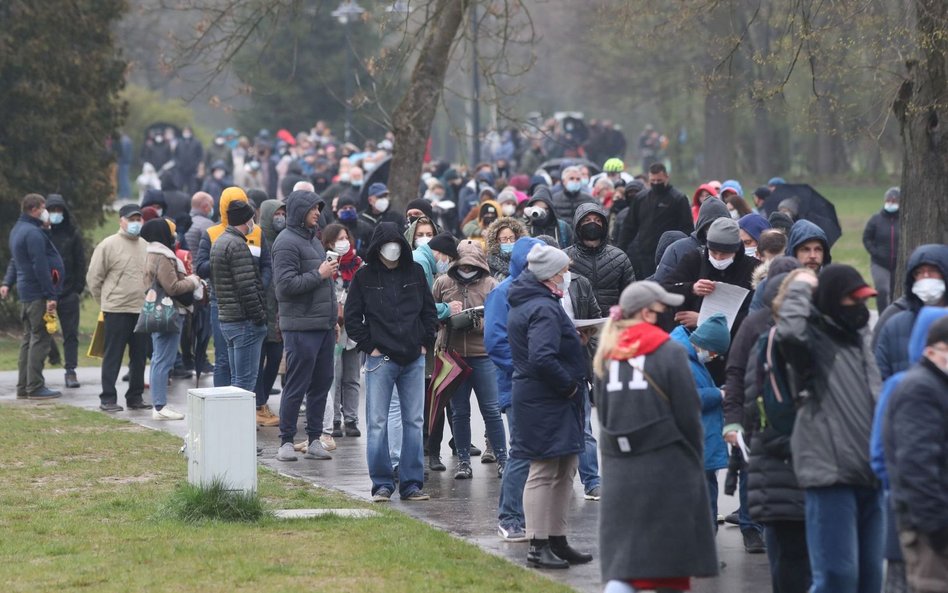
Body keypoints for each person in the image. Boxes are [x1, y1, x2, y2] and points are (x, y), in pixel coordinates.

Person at [595, 281, 718, 592]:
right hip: (667, 469)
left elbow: (605, 415)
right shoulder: (670, 352)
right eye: (662, 310)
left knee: (625, 565)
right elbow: (688, 416)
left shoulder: (607, 354)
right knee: (669, 570)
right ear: (648, 314)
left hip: (621, 471)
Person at [775, 265, 884, 593]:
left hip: (870, 474)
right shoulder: (812, 343)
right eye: (852, 299)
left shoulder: (861, 337)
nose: (859, 307)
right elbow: (789, 331)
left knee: (870, 581)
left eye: (863, 299)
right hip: (830, 472)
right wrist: (799, 288)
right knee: (837, 578)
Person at [507, 243, 591, 569]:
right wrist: (569, 385)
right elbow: (541, 357)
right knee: (544, 471)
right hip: (547, 398)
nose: (567, 274)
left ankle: (557, 539)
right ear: (550, 275)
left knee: (564, 468)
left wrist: (573, 339)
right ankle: (537, 545)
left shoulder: (538, 301)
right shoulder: (541, 306)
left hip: (549, 398)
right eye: (563, 270)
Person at [344, 222, 438, 502]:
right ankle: (382, 484)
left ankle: (411, 484)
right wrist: (369, 347)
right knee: (376, 423)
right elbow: (352, 317)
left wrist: (425, 343)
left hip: (413, 358)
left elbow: (428, 313)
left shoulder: (416, 271)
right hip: (380, 359)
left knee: (414, 421)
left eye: (398, 242)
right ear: (377, 246)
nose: (394, 247)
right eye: (388, 242)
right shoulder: (364, 277)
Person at [271, 191, 339, 462]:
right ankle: (286, 441)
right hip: (300, 327)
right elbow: (285, 287)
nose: (317, 213)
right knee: (297, 385)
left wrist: (332, 321)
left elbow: (326, 287)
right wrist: (319, 274)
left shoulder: (314, 240)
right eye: (312, 208)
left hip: (322, 325)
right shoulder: (285, 243)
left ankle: (313, 439)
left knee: (321, 384)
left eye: (319, 208)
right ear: (299, 210)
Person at [883, 314, 948, 593]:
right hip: (930, 530)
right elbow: (916, 467)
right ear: (931, 350)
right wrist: (938, 530)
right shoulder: (920, 389)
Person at [433, 240, 508, 480]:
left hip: (483, 355)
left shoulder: (490, 285)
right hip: (454, 357)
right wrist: (445, 314)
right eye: (462, 265)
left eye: (471, 265)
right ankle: (463, 462)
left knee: (492, 410)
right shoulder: (443, 282)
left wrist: (478, 322)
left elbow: (501, 319)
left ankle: (503, 459)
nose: (466, 269)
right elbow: (429, 311)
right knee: (459, 411)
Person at [194, 187, 271, 387]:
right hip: (228, 305)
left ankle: (251, 407)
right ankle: (228, 410)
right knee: (231, 366)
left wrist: (260, 287)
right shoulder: (213, 234)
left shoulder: (254, 234)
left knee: (244, 369)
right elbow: (201, 267)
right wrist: (226, 264)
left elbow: (266, 265)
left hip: (243, 304)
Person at [670, 313, 730, 532]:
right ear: (704, 344)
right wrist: (719, 394)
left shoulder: (686, 355)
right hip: (694, 441)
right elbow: (685, 397)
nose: (713, 357)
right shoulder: (681, 359)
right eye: (713, 352)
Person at [86, 204, 150, 411]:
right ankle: (108, 398)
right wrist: (105, 302)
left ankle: (135, 397)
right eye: (131, 219)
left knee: (139, 357)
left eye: (138, 219)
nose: (135, 223)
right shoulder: (108, 245)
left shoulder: (146, 245)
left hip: (140, 309)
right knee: (113, 354)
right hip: (116, 309)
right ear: (121, 220)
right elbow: (94, 277)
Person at [4, 194, 64, 399]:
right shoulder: (33, 234)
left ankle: (24, 386)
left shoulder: (18, 230)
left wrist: (7, 283)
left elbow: (15, 260)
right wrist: (50, 295)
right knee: (40, 339)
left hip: (26, 293)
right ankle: (36, 386)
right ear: (35, 209)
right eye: (44, 207)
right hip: (37, 294)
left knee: (28, 339)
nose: (46, 211)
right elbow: (41, 266)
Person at [140, 219, 200, 420]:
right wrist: (192, 281)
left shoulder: (151, 253)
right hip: (168, 312)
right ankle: (159, 406)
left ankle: (159, 404)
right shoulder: (163, 256)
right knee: (163, 360)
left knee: (160, 358)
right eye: (171, 231)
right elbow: (172, 287)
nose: (174, 235)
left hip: (160, 311)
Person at [209, 200, 268, 396]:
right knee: (245, 383)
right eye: (252, 218)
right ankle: (238, 426)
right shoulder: (237, 245)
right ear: (246, 219)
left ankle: (229, 425)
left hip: (227, 318)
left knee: (235, 380)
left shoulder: (219, 242)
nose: (254, 222)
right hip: (244, 322)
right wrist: (260, 317)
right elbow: (247, 287)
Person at [874, 244, 948, 380]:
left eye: (932, 271)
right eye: (919, 273)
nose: (926, 277)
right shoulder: (894, 323)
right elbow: (878, 377)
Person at [321, 223, 364, 438]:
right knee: (334, 375)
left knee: (352, 376)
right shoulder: (326, 266)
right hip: (334, 326)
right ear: (329, 243)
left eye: (346, 237)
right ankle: (334, 419)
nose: (343, 242)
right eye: (338, 239)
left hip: (354, 325)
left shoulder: (358, 265)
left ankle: (351, 418)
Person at [619, 163, 694, 279]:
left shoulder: (678, 198)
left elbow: (687, 228)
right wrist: (621, 249)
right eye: (652, 180)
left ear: (666, 178)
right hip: (645, 254)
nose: (655, 183)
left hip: (669, 254)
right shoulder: (641, 198)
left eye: (659, 180)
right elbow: (629, 226)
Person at [43, 194, 85, 389]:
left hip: (68, 292)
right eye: (52, 210)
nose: (56, 214)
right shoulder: (42, 233)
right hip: (46, 292)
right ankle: (44, 364)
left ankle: (71, 370)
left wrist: (77, 288)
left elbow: (79, 262)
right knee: (42, 332)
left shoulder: (72, 233)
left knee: (70, 334)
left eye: (59, 210)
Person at [564, 203, 634, 311]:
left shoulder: (619, 258)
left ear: (604, 226)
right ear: (578, 225)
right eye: (587, 220)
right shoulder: (565, 258)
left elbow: (630, 294)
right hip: (578, 322)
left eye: (597, 220)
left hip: (611, 322)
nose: (593, 223)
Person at [254, 199, 286, 428]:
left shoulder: (284, 241)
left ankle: (262, 400)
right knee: (258, 359)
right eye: (277, 213)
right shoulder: (256, 240)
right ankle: (258, 404)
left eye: (283, 213)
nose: (281, 217)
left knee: (275, 358)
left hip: (280, 312)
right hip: (260, 309)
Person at [652, 196, 730, 283]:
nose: (716, 231)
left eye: (721, 227)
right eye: (710, 226)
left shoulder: (738, 249)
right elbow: (663, 284)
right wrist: (691, 289)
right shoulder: (677, 249)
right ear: (702, 227)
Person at [862, 187, 901, 312]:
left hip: (898, 264)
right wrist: (875, 252)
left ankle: (894, 317)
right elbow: (867, 238)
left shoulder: (904, 220)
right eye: (888, 200)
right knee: (883, 290)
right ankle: (883, 316)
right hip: (880, 264)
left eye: (894, 201)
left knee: (897, 294)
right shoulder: (875, 220)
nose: (891, 203)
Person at [485, 217, 527, 281]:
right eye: (504, 239)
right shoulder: (490, 262)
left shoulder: (526, 259)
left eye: (512, 238)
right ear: (496, 240)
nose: (509, 242)